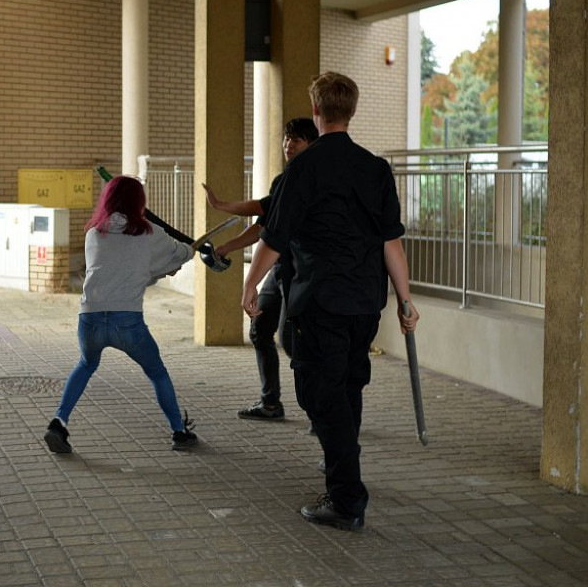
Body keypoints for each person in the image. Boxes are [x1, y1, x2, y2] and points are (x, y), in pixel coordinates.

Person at [241, 72, 419, 531]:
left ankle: (345, 497)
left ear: (316, 112)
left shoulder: (303, 168)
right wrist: (405, 300)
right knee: (348, 387)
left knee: (322, 396)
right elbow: (391, 242)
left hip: (320, 299)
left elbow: (275, 238)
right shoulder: (375, 168)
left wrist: (249, 284)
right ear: (351, 111)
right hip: (365, 302)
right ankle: (343, 474)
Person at [44, 175, 198, 453]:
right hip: (127, 322)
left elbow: (118, 269)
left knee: (86, 365)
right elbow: (180, 254)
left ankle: (59, 421)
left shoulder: (93, 233)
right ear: (139, 201)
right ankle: (178, 431)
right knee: (157, 373)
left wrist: (158, 270)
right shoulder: (150, 233)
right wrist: (183, 256)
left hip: (89, 319)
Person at [202, 118, 319, 421]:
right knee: (260, 330)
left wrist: (222, 205)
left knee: (294, 343)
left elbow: (259, 210)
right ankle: (271, 404)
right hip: (278, 268)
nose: (288, 145)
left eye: (297, 140)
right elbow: (263, 223)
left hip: (302, 273)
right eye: (286, 139)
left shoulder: (315, 180)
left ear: (311, 144)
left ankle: (321, 407)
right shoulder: (283, 181)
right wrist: (225, 246)